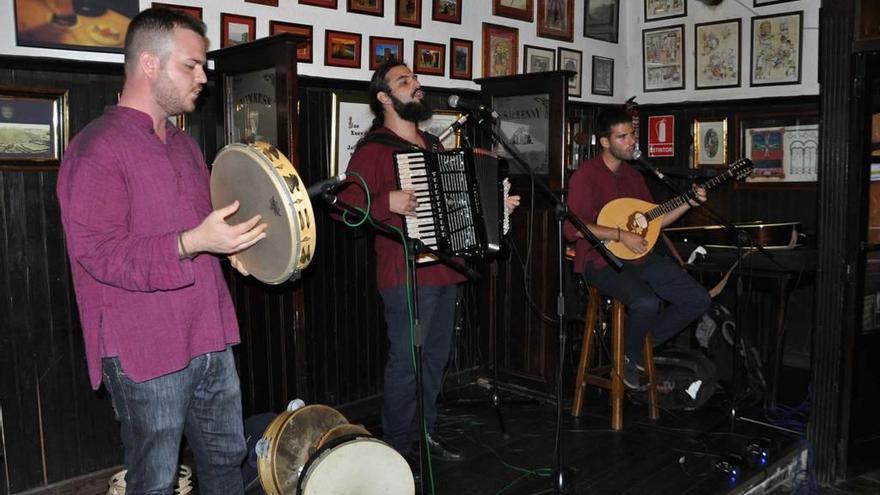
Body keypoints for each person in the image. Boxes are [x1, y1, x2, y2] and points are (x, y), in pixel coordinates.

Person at [57, 8, 266, 494]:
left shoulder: (184, 145)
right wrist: (195, 243)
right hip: (144, 350)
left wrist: (227, 248)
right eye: (191, 66)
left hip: (210, 334)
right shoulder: (95, 149)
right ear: (149, 64)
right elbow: (99, 253)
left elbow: (199, 230)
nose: (204, 77)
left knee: (226, 461)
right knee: (155, 480)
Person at [336, 59, 519, 462]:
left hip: (445, 269)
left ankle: (424, 434)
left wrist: (494, 207)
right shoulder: (374, 150)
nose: (416, 85)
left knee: (435, 359)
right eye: (405, 81)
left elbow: (455, 202)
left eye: (416, 78)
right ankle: (396, 451)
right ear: (384, 98)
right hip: (404, 273)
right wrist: (387, 201)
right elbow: (342, 205)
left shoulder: (434, 145)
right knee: (408, 362)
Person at [564, 108, 711, 389]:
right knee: (647, 302)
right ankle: (631, 356)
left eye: (631, 135)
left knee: (697, 298)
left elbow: (654, 219)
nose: (631, 141)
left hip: (639, 256)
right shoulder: (586, 176)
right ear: (605, 142)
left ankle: (637, 347)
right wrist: (620, 234)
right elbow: (572, 228)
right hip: (600, 261)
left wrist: (687, 203)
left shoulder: (633, 176)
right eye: (623, 137)